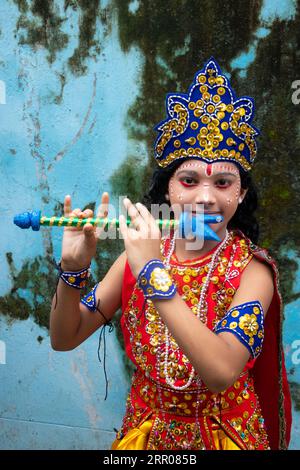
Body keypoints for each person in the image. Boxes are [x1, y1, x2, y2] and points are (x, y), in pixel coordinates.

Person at [50, 58, 292, 450]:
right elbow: (65, 337)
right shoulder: (138, 256)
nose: (206, 197)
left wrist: (151, 273)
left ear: (241, 194)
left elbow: (220, 371)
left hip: (226, 437)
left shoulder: (252, 271)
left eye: (224, 182)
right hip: (146, 436)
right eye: (190, 180)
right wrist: (73, 271)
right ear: (169, 190)